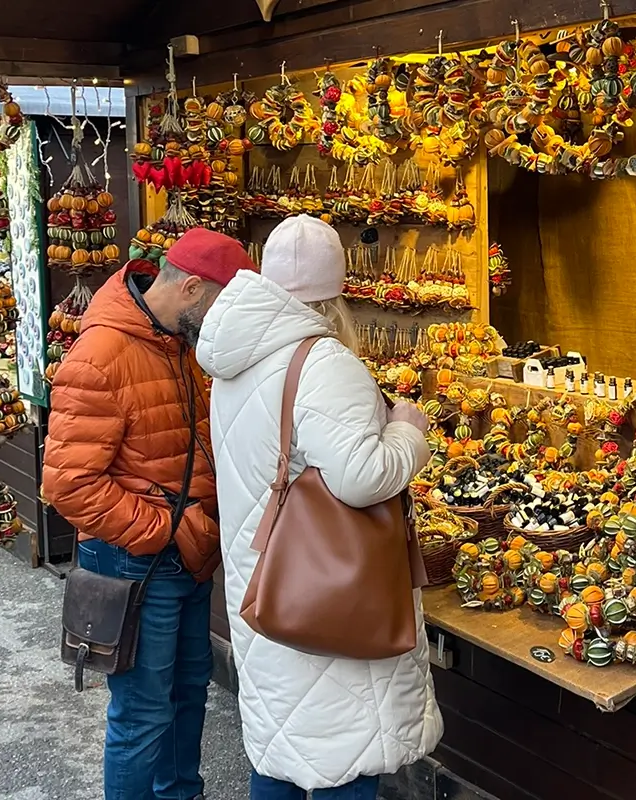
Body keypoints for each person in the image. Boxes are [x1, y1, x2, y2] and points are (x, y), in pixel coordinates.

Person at [195, 214, 441, 800]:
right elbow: (361, 478)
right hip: (332, 599)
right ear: (338, 289)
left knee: (279, 746)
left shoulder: (237, 357)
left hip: (268, 582)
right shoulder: (324, 363)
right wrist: (408, 431)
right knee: (343, 758)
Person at [43, 228, 256, 800]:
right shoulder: (101, 354)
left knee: (189, 690)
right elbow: (67, 484)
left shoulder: (180, 344)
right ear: (190, 288)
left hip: (185, 555)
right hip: (135, 562)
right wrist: (164, 529)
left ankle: (180, 793)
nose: (223, 321)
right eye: (221, 305)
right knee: (141, 713)